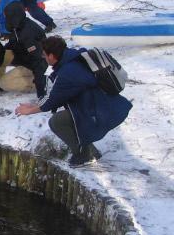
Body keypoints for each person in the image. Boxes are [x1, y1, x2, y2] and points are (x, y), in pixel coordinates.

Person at [14, 36, 132, 166]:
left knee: (57, 122)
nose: (43, 57)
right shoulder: (72, 58)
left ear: (52, 56)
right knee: (70, 118)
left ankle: (83, 155)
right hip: (101, 103)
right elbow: (55, 95)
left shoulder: (68, 73)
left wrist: (29, 110)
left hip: (100, 109)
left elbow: (52, 101)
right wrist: (34, 105)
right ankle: (91, 152)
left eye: (44, 55)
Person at [0, 1, 47, 97]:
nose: (6, 19)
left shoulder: (29, 33)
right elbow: (13, 44)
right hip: (21, 56)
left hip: (33, 63)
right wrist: (1, 51)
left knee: (5, 82)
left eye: (7, 17)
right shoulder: (17, 26)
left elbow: (38, 59)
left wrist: (40, 84)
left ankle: (33, 83)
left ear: (14, 16)